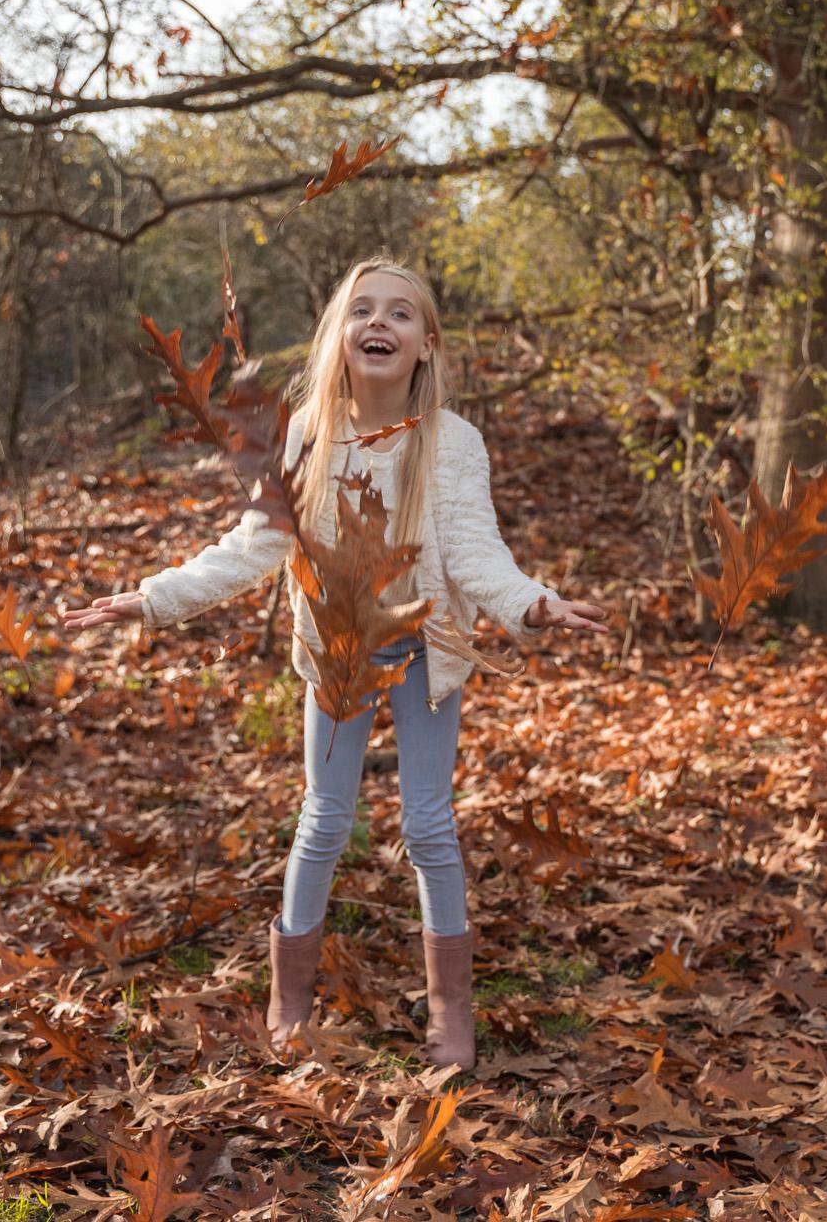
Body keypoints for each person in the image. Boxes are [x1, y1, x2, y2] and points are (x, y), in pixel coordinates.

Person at [62, 257, 607, 1069]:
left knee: (429, 824)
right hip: (338, 650)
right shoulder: (305, 434)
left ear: (426, 344)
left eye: (399, 314)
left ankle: (450, 1008)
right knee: (324, 822)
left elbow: (472, 551)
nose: (379, 324)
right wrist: (154, 597)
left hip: (428, 649)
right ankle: (290, 995)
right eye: (362, 311)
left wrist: (531, 601)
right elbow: (256, 548)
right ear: (338, 337)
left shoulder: (453, 444)